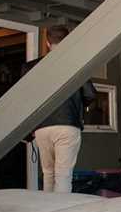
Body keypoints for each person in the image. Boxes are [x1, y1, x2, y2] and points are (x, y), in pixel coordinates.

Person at [22, 26, 96, 193]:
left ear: (48, 42)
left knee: (48, 174)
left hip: (42, 127)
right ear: (67, 42)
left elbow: (25, 100)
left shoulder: (29, 68)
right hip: (67, 126)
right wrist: (78, 105)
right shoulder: (75, 65)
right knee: (63, 175)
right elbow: (90, 94)